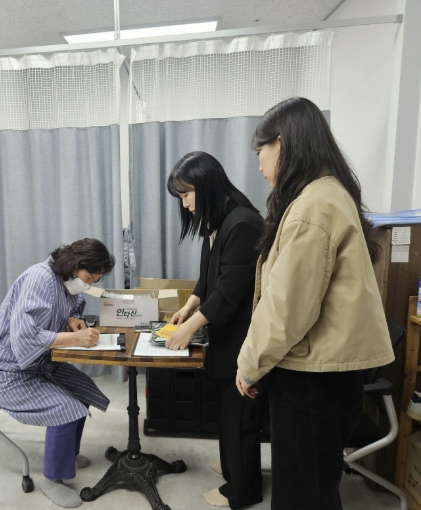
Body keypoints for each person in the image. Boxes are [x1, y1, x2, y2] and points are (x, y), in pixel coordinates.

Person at [235, 97, 395, 510]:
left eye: (260, 151)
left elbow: (287, 307)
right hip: (327, 375)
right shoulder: (330, 194)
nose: (259, 165)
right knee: (317, 490)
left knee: (301, 496)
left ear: (282, 143)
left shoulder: (312, 205)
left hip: (311, 379)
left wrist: (250, 365)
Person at [0, 238, 115, 509]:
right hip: (3, 370)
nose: (89, 286)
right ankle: (52, 479)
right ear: (75, 265)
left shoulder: (65, 279)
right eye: (89, 279)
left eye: (94, 281)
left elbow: (73, 303)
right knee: (66, 408)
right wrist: (75, 338)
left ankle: (67, 454)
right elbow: (24, 336)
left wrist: (72, 319)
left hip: (37, 363)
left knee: (82, 390)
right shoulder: (40, 279)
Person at [166, 151, 266, 509]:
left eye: (187, 194)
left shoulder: (243, 223)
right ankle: (232, 468)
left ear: (207, 185)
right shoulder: (219, 220)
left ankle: (242, 492)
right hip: (226, 336)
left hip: (243, 339)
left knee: (240, 418)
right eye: (180, 197)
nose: (185, 204)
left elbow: (229, 291)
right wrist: (189, 306)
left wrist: (190, 328)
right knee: (228, 412)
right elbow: (209, 278)